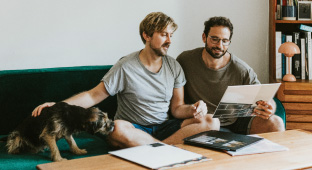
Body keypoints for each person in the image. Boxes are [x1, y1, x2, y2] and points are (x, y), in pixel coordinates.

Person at [32, 12, 220, 148]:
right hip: (133, 128)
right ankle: (168, 149)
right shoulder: (126, 66)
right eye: (164, 34)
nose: (169, 40)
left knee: (212, 122)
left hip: (165, 127)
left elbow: (177, 109)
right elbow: (93, 96)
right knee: (116, 129)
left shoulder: (174, 66)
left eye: (171, 35)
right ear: (147, 35)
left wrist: (194, 108)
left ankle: (160, 149)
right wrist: (58, 106)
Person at [176, 16, 284, 135]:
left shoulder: (241, 69)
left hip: (236, 122)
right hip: (203, 121)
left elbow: (264, 97)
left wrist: (269, 107)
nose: (220, 46)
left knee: (276, 123)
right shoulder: (185, 60)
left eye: (225, 41)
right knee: (211, 123)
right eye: (214, 39)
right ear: (204, 37)